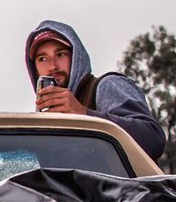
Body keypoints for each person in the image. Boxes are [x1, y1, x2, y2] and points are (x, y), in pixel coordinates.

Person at [24, 20, 165, 161]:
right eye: (43, 58)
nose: (53, 66)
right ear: (34, 68)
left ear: (76, 57)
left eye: (61, 54)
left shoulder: (106, 86)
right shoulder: (44, 121)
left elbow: (153, 139)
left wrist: (83, 113)